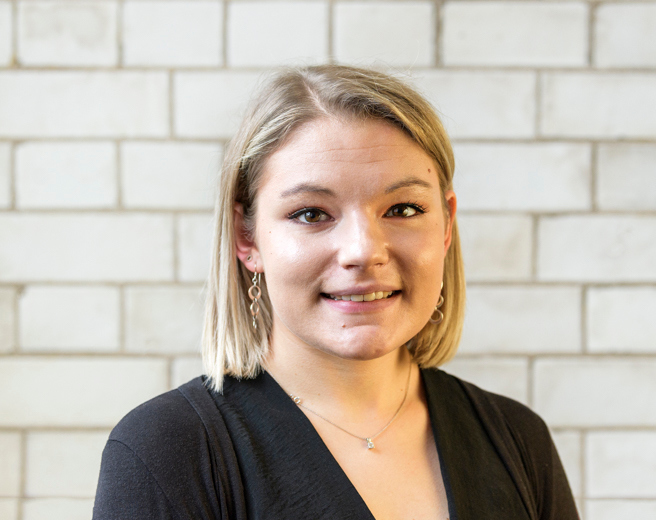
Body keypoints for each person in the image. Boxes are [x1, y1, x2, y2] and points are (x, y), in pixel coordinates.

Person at [93, 65, 579, 520]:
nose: (363, 252)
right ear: (247, 239)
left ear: (447, 223)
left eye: (404, 209)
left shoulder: (517, 439)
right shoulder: (168, 450)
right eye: (311, 213)